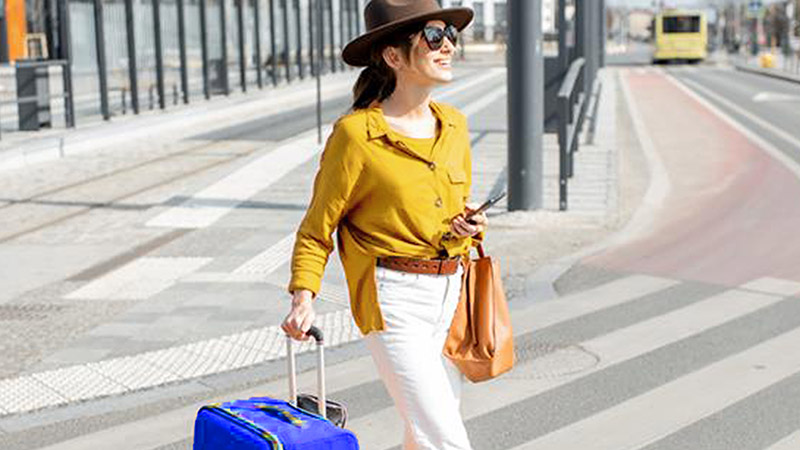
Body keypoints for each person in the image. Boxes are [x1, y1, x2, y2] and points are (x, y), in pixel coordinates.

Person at [281, 1, 486, 448]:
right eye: (433, 37)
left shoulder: (453, 125)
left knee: (423, 431)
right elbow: (318, 227)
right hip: (393, 300)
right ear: (393, 56)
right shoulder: (356, 136)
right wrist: (303, 297)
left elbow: (451, 207)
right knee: (446, 439)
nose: (448, 44)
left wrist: (467, 224)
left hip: (450, 295)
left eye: (449, 34)